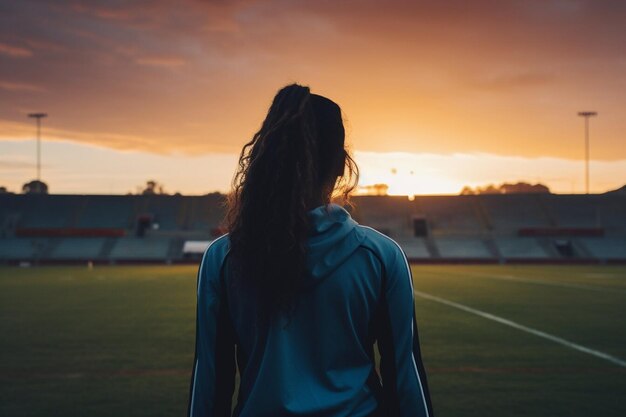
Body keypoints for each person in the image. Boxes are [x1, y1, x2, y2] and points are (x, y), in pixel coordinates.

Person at [188, 84, 433, 417]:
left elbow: (210, 382)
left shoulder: (224, 258)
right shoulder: (381, 255)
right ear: (341, 166)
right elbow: (405, 376)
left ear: (264, 159)